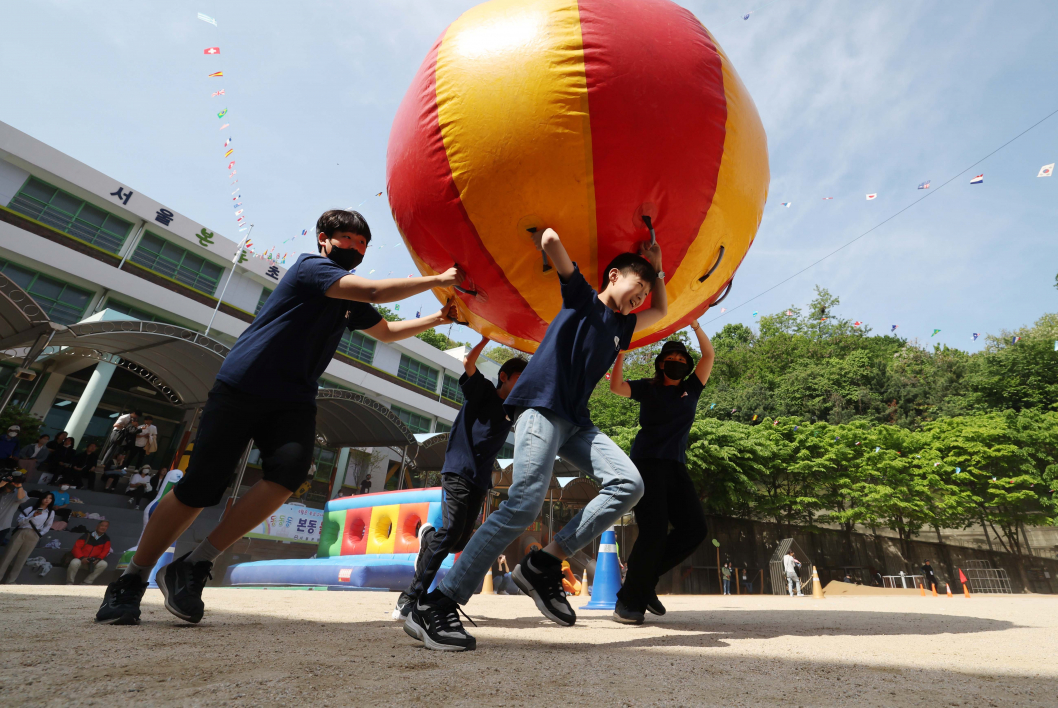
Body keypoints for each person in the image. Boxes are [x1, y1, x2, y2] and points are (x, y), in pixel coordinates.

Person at [95, 208, 460, 626]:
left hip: (294, 397)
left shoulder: (348, 299)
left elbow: (388, 332)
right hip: (243, 385)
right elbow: (375, 291)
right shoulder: (312, 269)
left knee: (288, 474)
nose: (355, 248)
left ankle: (194, 565)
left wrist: (438, 318)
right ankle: (131, 579)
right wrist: (438, 279)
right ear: (323, 239)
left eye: (362, 244)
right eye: (347, 239)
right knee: (201, 486)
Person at [405, 227, 665, 652]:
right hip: (541, 408)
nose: (642, 297)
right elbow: (550, 240)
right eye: (639, 286)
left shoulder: (625, 326)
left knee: (629, 484)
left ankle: (543, 563)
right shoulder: (582, 298)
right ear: (614, 276)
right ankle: (437, 604)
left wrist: (657, 270)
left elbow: (662, 309)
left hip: (577, 422)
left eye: (646, 293)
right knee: (524, 503)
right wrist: (550, 235)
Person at [396, 338, 527, 619]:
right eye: (519, 378)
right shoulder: (483, 390)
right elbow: (468, 362)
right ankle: (410, 597)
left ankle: (428, 536)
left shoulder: (514, 409)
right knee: (451, 532)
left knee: (457, 542)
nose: (523, 384)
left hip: (480, 480)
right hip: (459, 469)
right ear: (503, 376)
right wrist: (488, 336)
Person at [608, 321, 714, 624]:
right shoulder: (648, 387)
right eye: (671, 358)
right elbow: (616, 387)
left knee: (695, 529)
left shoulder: (691, 389)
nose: (677, 362)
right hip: (646, 464)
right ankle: (629, 602)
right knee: (653, 532)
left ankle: (644, 581)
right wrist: (621, 353)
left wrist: (695, 324)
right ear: (661, 363)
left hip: (676, 465)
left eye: (682, 359)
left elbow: (708, 356)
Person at [0, 492, 55, 584]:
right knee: (8, 555)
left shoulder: (50, 512)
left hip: (35, 534)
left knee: (22, 559)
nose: (47, 500)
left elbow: (47, 526)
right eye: (46, 497)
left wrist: (39, 534)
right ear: (41, 498)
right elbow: (19, 521)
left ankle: (11, 581)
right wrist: (32, 515)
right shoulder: (31, 509)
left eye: (50, 498)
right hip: (22, 531)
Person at [0, 474, 29, 556]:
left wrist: (19, 486)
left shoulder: (19, 492)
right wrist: (0, 485)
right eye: (11, 480)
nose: (13, 483)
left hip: (3, 527)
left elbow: (22, 498)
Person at [66, 520, 112, 585]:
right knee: (74, 562)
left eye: (106, 526)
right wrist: (82, 558)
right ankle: (70, 582)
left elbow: (105, 551)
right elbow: (76, 548)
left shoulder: (106, 539)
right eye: (102, 525)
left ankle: (86, 582)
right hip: (81, 559)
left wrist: (98, 559)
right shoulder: (87, 535)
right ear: (97, 527)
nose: (103, 527)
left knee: (104, 564)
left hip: (93, 562)